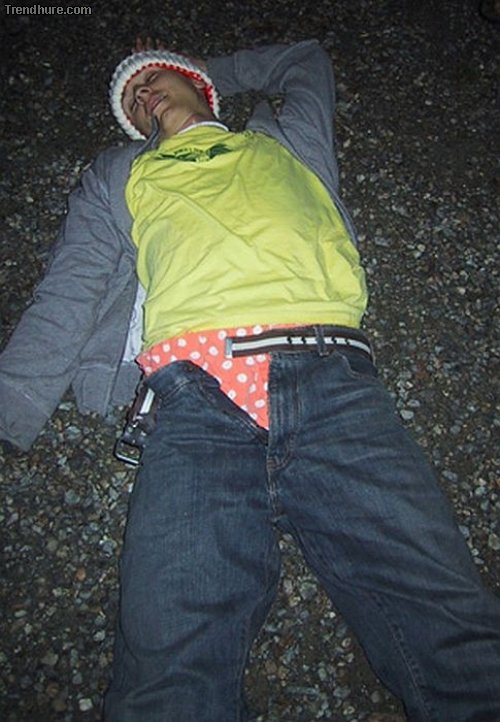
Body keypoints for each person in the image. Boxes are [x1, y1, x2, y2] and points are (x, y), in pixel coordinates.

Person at [0, 36, 499, 722]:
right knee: (169, 668)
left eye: (153, 78)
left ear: (197, 82)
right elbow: (71, 285)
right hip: (192, 401)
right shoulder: (120, 173)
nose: (143, 93)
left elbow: (307, 60)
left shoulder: (287, 141)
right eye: (131, 98)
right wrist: (13, 403)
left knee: (450, 628)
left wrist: (209, 72)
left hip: (333, 379)